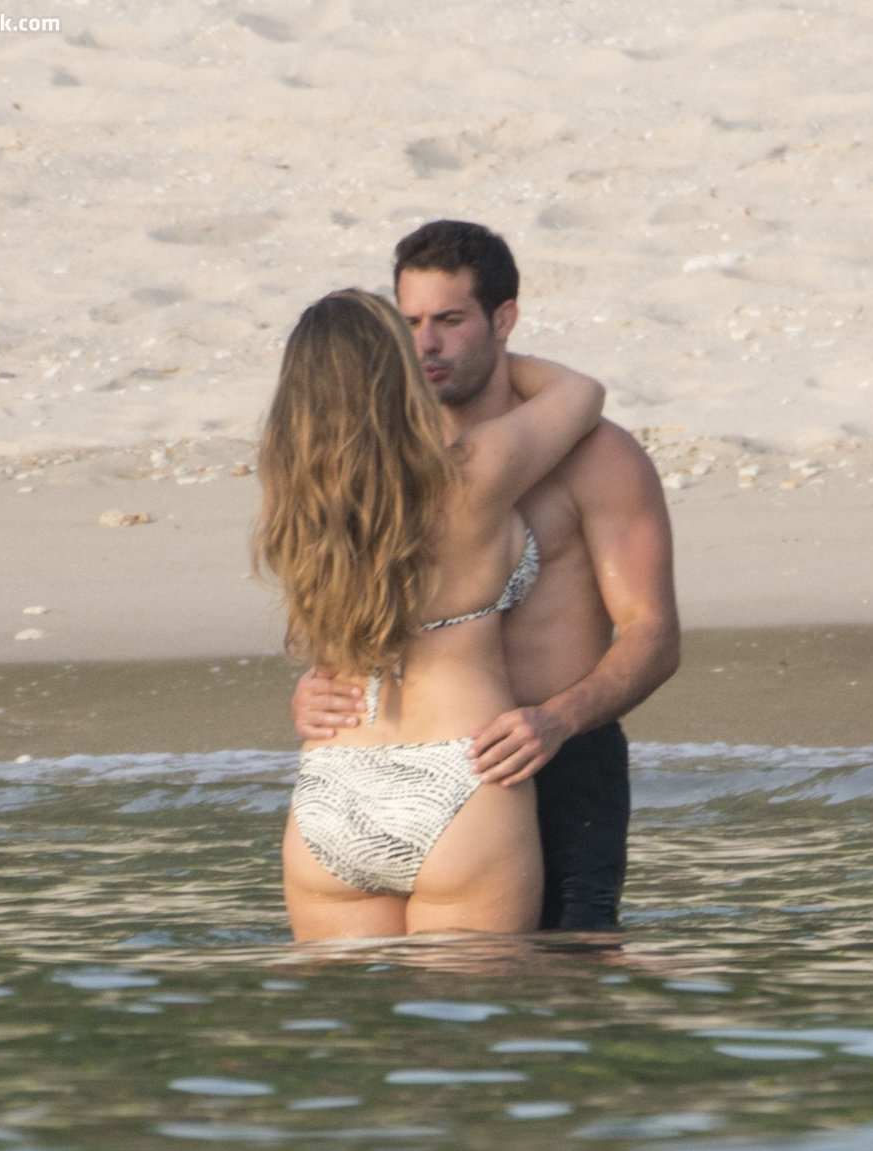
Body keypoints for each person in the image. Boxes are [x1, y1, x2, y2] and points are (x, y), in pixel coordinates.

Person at [293, 222, 679, 930]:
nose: (426, 344)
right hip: (429, 763)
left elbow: (653, 635)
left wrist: (558, 720)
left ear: (503, 320)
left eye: (449, 320)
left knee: (571, 978)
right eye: (408, 323)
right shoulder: (384, 464)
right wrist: (316, 683)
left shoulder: (598, 459)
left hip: (559, 757)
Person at [254, 288, 604, 941]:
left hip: (334, 783)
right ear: (399, 372)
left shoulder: (294, 501)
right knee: (468, 1009)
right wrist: (498, 356)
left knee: (346, 1010)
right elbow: (581, 393)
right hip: (462, 773)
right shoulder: (475, 472)